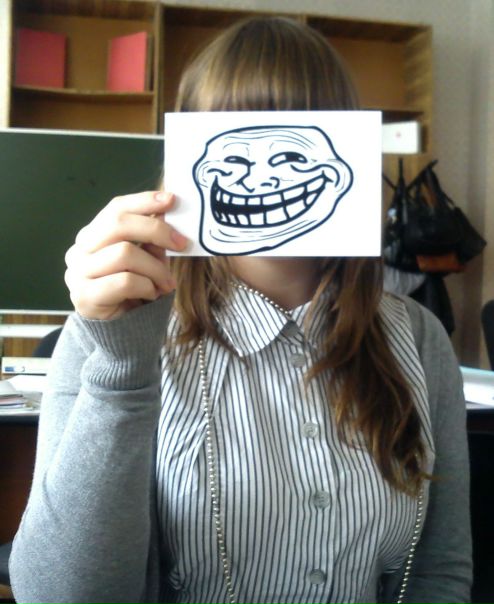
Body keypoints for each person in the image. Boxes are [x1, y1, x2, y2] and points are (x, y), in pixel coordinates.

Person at [10, 16, 471, 604]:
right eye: (229, 155)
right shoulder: (110, 335)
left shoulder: (419, 338)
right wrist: (121, 370)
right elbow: (57, 595)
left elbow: (439, 571)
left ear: (345, 169)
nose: (257, 177)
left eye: (292, 150)